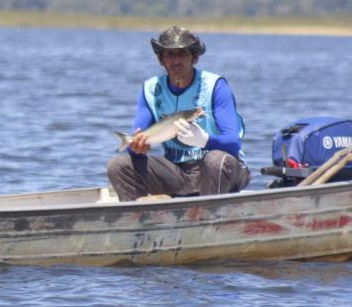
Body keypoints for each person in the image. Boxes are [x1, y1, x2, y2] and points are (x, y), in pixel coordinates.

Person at [106, 26, 250, 201]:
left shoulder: (215, 86)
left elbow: (234, 143)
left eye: (182, 54)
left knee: (215, 160)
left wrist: (205, 141)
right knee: (118, 164)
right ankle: (139, 221)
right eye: (170, 54)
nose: (176, 61)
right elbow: (136, 140)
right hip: (177, 172)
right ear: (161, 60)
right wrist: (135, 147)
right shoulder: (150, 90)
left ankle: (212, 220)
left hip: (222, 169)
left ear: (194, 57)